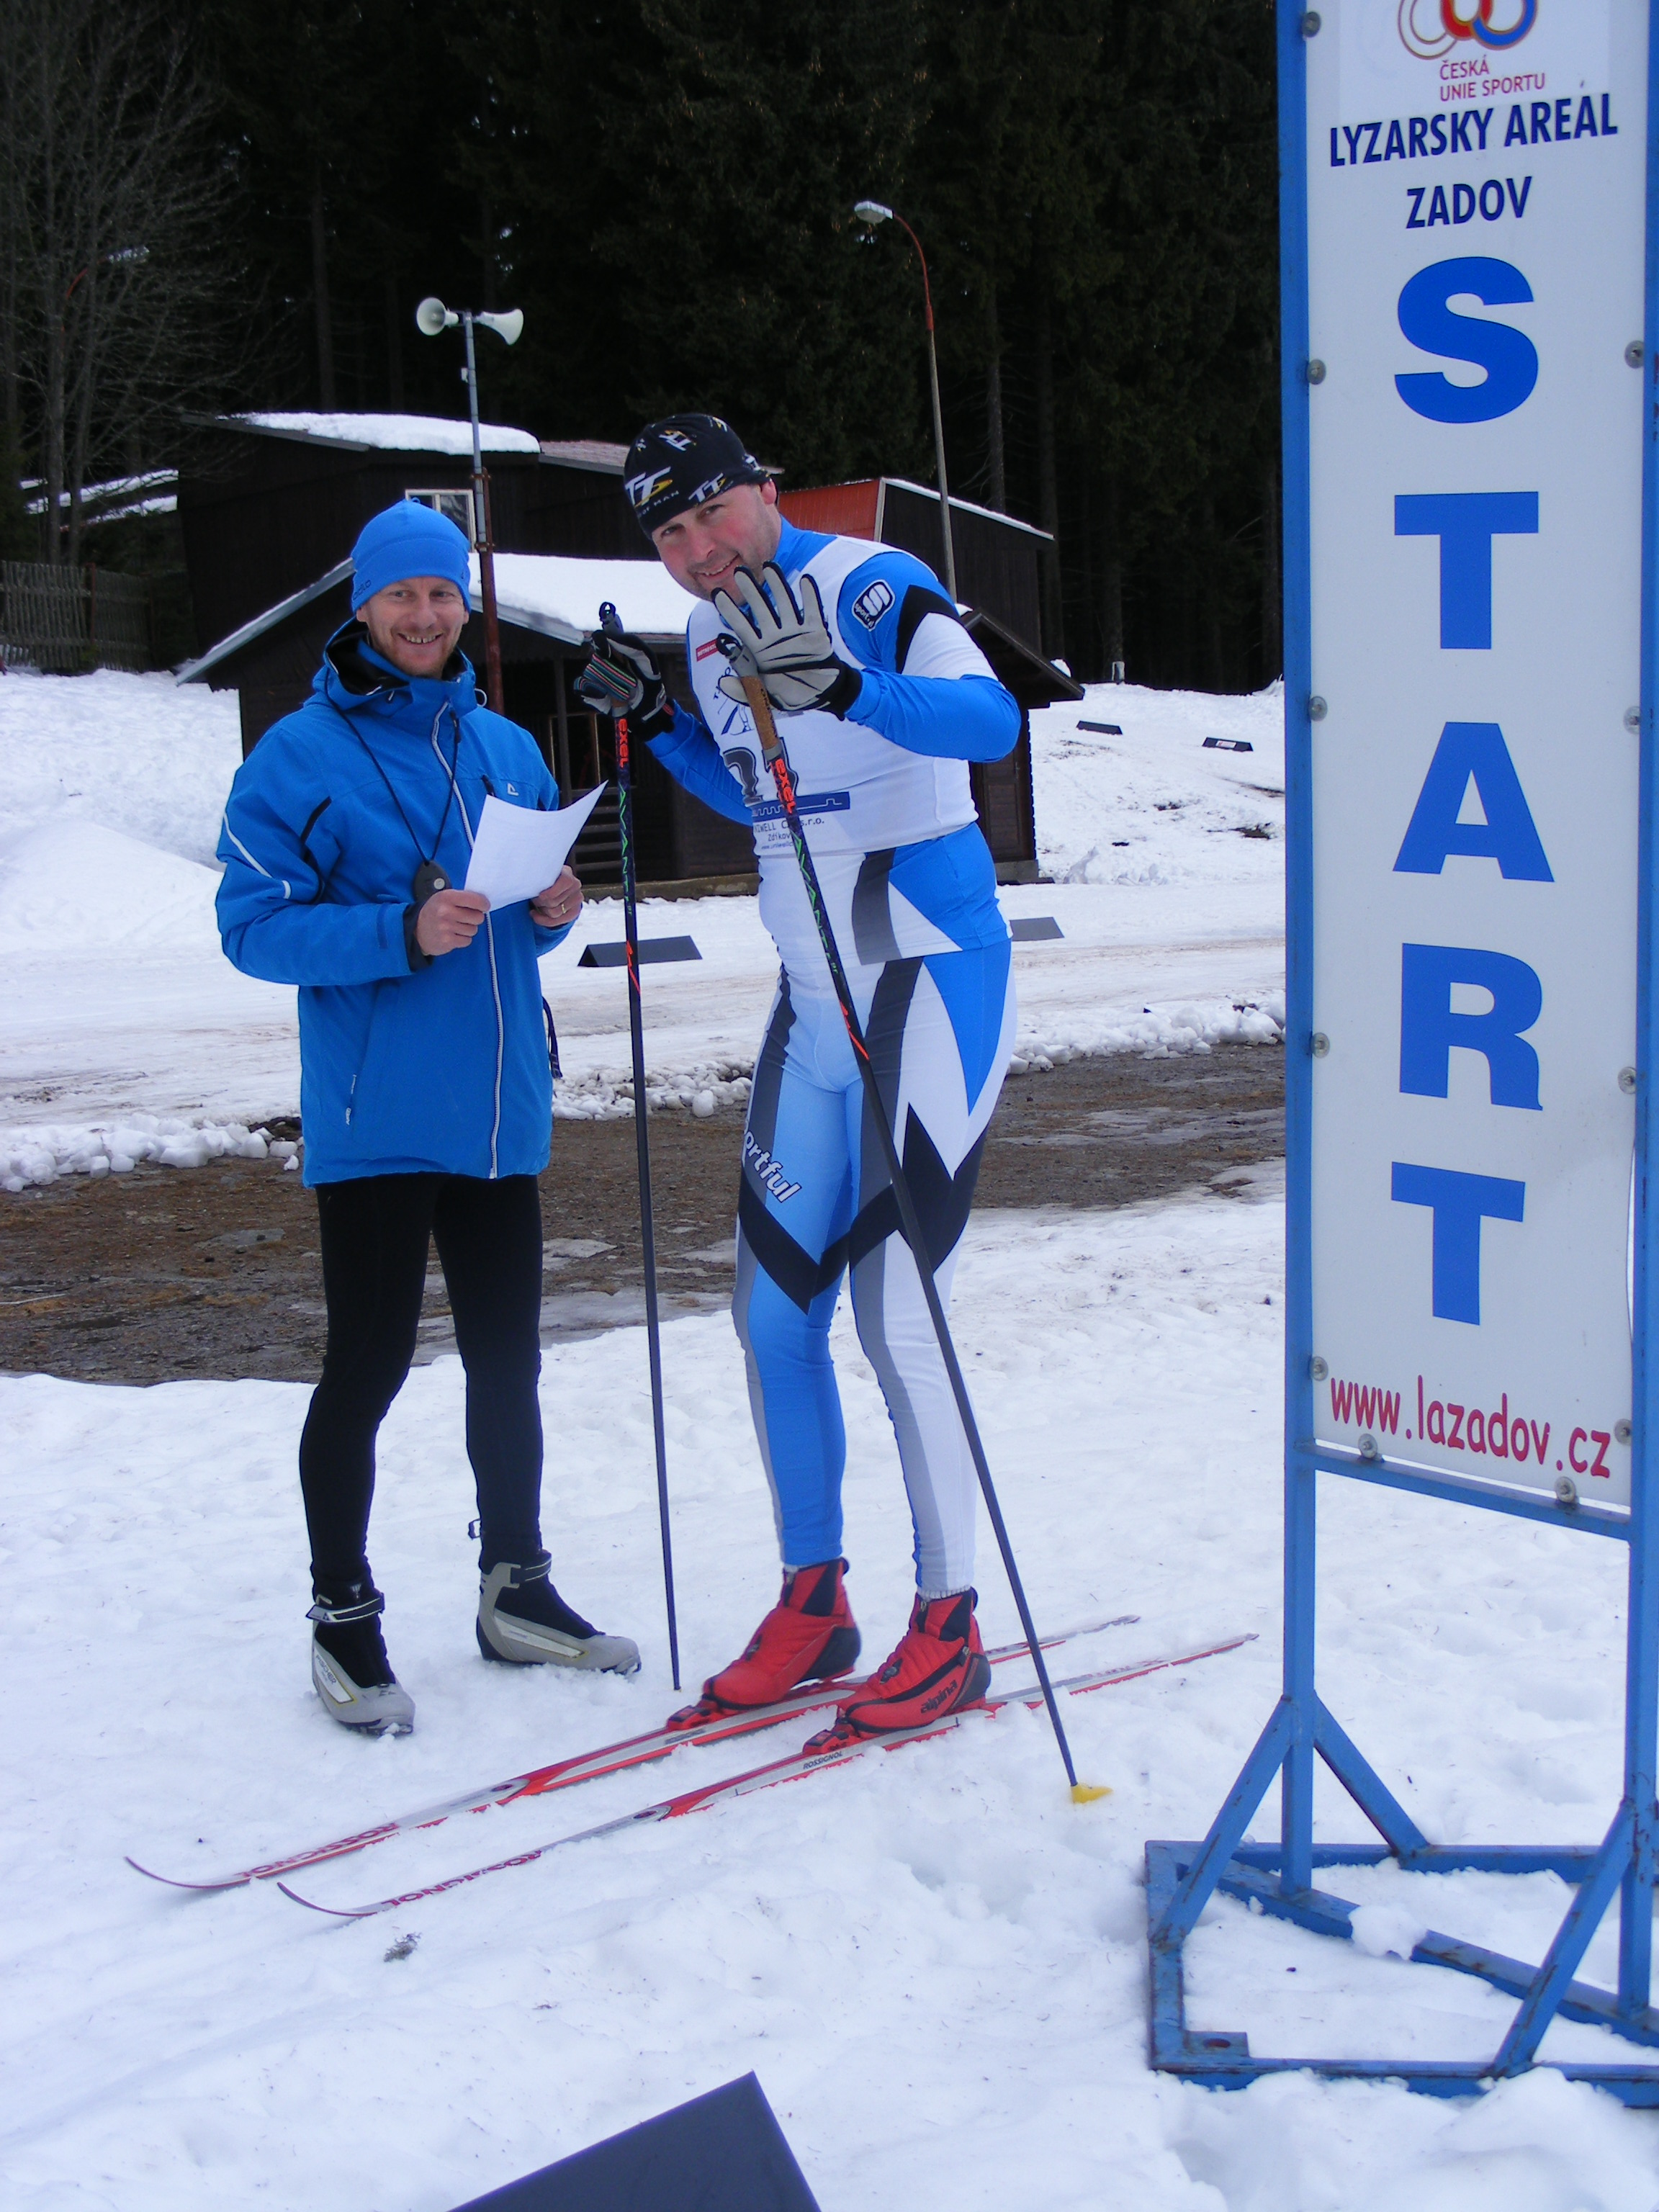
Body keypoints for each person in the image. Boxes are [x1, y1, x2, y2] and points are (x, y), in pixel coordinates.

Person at [577, 413, 1020, 1749]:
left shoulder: (872, 587)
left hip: (928, 975)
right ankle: (812, 1598)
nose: (699, 549)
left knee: (897, 1316)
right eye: (669, 534)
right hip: (810, 997)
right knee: (772, 1317)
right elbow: (761, 792)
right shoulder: (712, 637)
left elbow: (990, 713)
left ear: (763, 492)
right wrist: (658, 721)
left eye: (711, 513)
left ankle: (949, 1623)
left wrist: (847, 685)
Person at [218, 499, 639, 1738]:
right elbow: (250, 930)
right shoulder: (295, 759)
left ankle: (517, 1589)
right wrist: (396, 933)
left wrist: (554, 904)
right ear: (362, 608)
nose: (422, 617)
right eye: (401, 597)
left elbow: (523, 912)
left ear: (465, 607)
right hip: (379, 1116)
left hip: (500, 1112)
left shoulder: (505, 746)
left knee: (511, 1360)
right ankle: (342, 1617)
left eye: (442, 596)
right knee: (370, 1365)